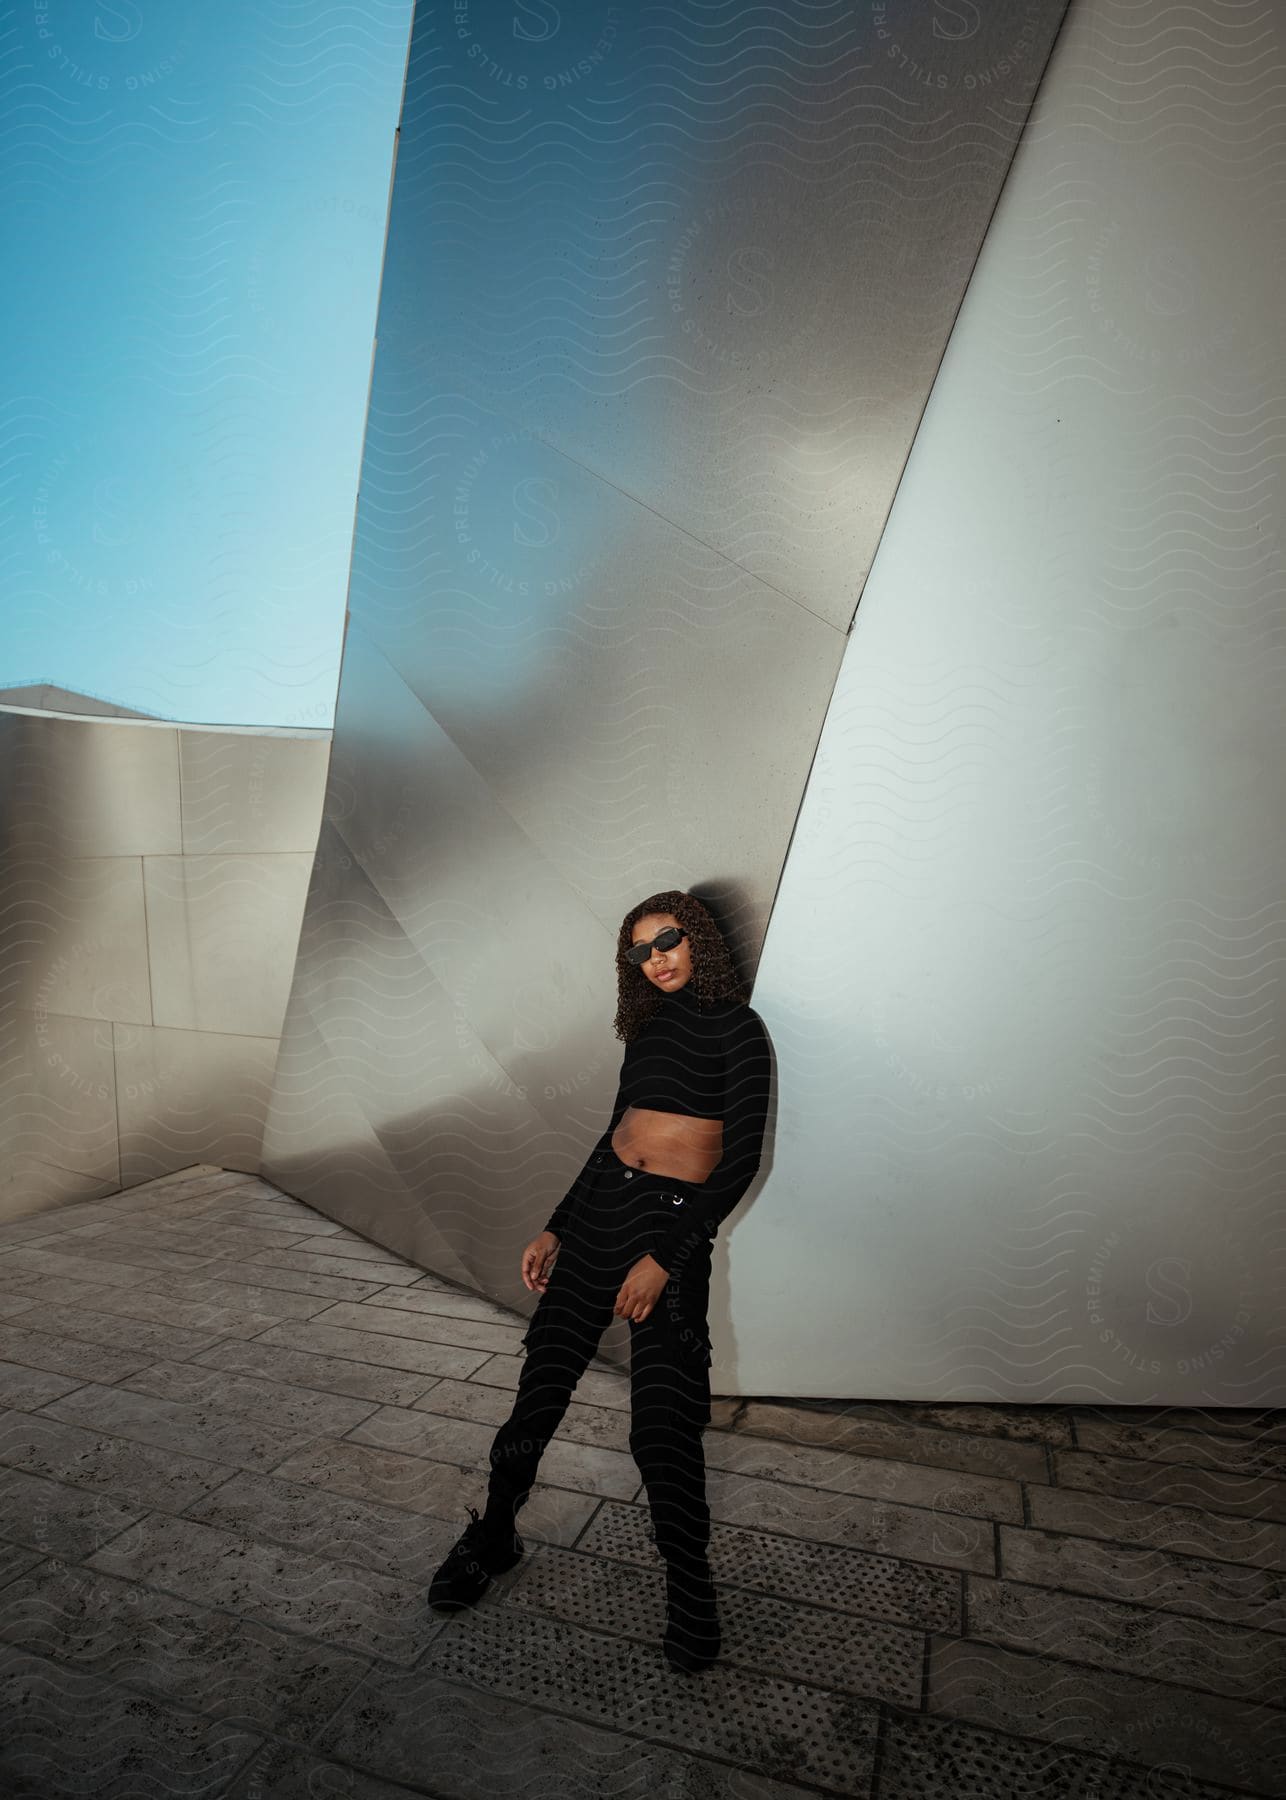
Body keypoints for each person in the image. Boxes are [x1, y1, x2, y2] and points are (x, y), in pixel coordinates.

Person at [428, 889, 772, 1673]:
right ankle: (493, 1538)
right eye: (641, 951)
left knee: (661, 1429)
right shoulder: (645, 1034)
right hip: (600, 1220)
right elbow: (610, 1136)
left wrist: (665, 1257)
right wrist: (556, 1223)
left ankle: (691, 1590)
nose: (658, 959)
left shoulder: (740, 1031)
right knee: (537, 1396)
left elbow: (741, 1160)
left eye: (670, 940)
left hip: (669, 1232)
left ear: (701, 941)